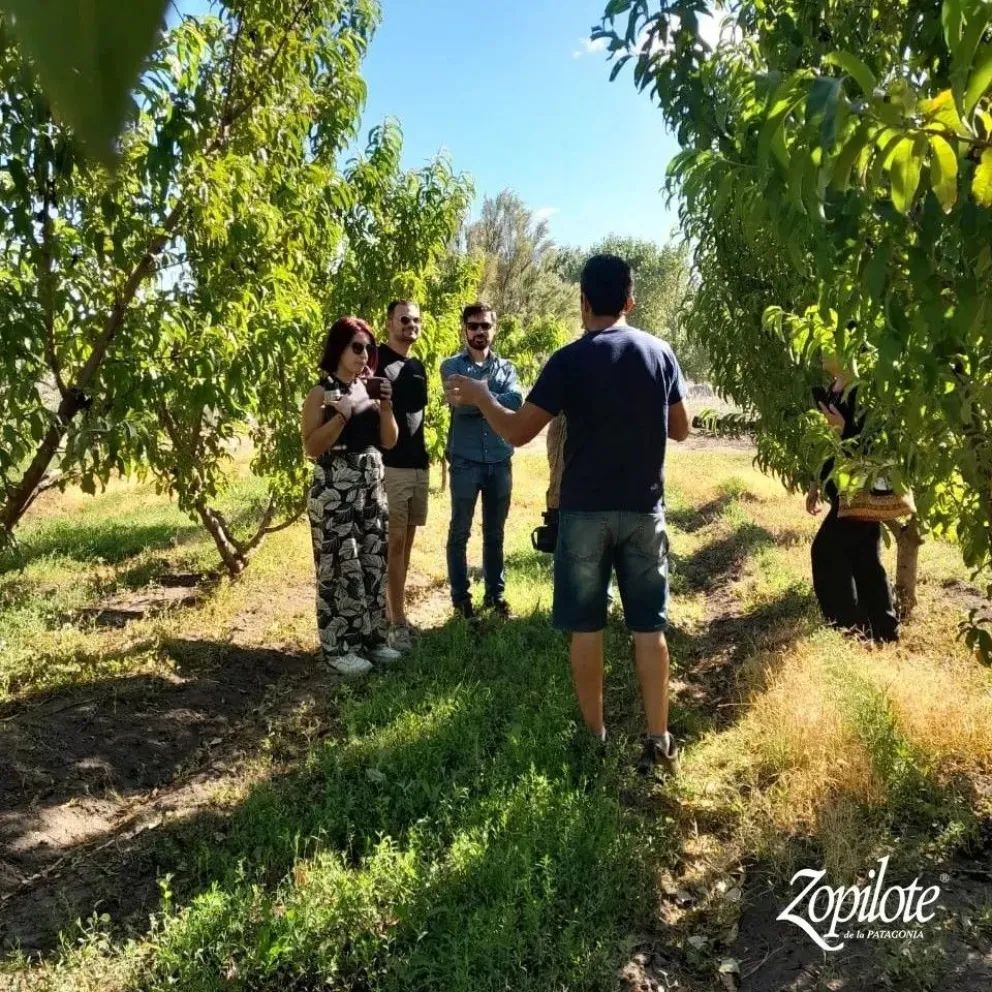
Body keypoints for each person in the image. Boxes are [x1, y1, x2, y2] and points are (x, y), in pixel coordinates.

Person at [447, 255, 691, 776]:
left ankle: (596, 739)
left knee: (588, 627)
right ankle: (659, 740)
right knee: (649, 629)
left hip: (583, 515)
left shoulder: (569, 360)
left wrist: (482, 396)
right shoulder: (660, 353)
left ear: (583, 302)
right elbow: (680, 429)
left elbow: (517, 432)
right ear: (630, 300)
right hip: (645, 509)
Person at [301, 317, 403, 676]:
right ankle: (338, 646)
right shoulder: (321, 391)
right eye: (356, 347)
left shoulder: (368, 388)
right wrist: (340, 416)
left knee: (373, 562)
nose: (364, 355)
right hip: (334, 486)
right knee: (339, 566)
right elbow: (312, 447)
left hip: (370, 485)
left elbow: (389, 441)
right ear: (339, 348)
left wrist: (387, 407)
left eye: (369, 349)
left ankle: (373, 639)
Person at [806, 352, 899, 643]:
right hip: (842, 492)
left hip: (860, 489)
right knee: (865, 560)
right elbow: (826, 442)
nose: (820, 352)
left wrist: (843, 431)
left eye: (826, 345)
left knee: (826, 553)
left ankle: (848, 631)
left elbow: (873, 446)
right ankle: (883, 632)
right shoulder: (835, 387)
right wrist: (816, 481)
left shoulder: (862, 391)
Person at [440, 304, 522, 619]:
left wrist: (480, 396)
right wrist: (490, 398)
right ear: (464, 328)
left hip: (500, 461)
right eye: (473, 325)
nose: (479, 331)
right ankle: (461, 600)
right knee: (460, 530)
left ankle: (495, 596)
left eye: (485, 326)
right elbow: (460, 404)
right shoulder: (451, 366)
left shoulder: (507, 368)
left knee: (495, 533)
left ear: (493, 329)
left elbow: (516, 402)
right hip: (465, 462)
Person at [378, 300, 430, 652]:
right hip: (390, 466)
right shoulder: (375, 361)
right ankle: (393, 623)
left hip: (417, 465)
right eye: (403, 320)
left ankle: (397, 612)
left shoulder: (417, 365)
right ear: (388, 323)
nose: (410, 325)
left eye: (415, 320)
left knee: (406, 547)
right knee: (392, 545)